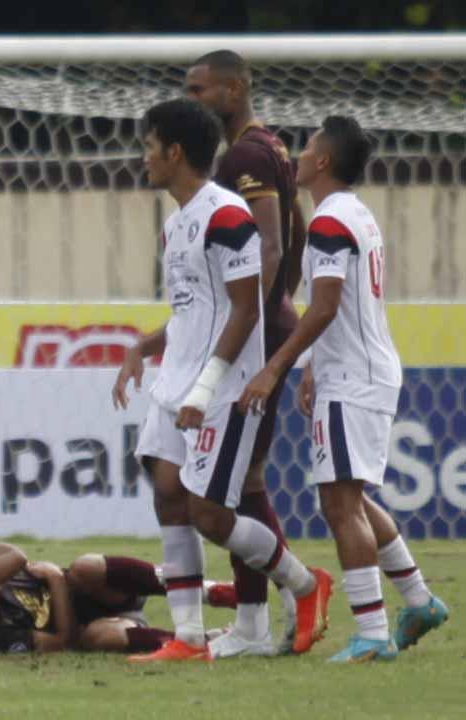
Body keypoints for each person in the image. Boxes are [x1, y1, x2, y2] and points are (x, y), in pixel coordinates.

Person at [111, 98, 331, 663]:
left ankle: (306, 584)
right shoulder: (176, 223)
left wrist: (207, 388)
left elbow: (246, 309)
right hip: (176, 381)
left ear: (174, 152)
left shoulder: (228, 216)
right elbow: (192, 312)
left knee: (210, 515)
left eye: (148, 147)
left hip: (223, 389)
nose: (143, 158)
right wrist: (143, 347)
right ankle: (187, 637)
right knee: (167, 494)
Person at [238, 116, 450, 662]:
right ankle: (419, 601)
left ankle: (373, 633)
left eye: (308, 147)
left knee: (338, 505)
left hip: (354, 377)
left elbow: (326, 306)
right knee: (351, 499)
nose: (299, 155)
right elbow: (343, 301)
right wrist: (313, 364)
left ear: (324, 161)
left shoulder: (331, 221)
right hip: (361, 369)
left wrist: (276, 366)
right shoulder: (355, 213)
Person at [185, 49, 307, 657]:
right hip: (269, 320)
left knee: (228, 488)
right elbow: (295, 231)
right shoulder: (271, 147)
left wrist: (249, 322)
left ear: (233, 90)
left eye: (200, 89)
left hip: (254, 330)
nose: (192, 100)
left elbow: (271, 243)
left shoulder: (245, 156)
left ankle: (295, 593)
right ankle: (255, 620)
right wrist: (282, 300)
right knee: (246, 478)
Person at [0, 539, 234, 654]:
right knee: (96, 638)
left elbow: (17, 557)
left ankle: (209, 591)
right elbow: (63, 642)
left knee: (85, 567)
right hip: (90, 627)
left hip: (104, 590)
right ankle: (207, 640)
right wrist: (55, 581)